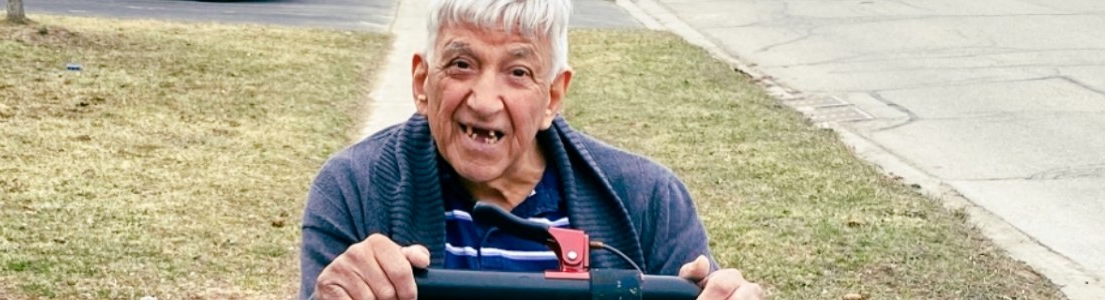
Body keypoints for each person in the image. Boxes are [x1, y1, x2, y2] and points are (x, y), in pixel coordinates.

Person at [299, 0, 765, 299]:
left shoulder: (650, 200)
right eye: (461, 64)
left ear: (553, 97)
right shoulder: (352, 189)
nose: (483, 101)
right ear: (422, 82)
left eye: (518, 72)